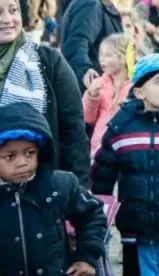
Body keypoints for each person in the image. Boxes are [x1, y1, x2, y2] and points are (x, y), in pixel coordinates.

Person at [92, 54, 159, 276]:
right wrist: (96, 220)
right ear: (139, 91)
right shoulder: (121, 127)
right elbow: (102, 177)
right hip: (135, 233)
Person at [0, 101, 107, 276]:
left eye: (29, 153)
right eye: (10, 156)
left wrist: (87, 257)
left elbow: (92, 215)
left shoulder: (59, 185)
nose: (22, 162)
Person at [0, 0, 91, 185]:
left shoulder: (48, 61)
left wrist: (80, 190)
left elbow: (73, 131)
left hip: (42, 191)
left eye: (13, 10)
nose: (8, 19)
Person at [61, 0, 124, 92]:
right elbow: (78, 42)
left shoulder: (89, 0)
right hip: (93, 80)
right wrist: (85, 70)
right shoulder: (91, 4)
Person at [83, 33, 134, 157]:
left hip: (126, 147)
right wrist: (92, 95)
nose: (101, 60)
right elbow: (87, 118)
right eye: (100, 55)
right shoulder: (99, 83)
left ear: (123, 58)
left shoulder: (135, 86)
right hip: (99, 147)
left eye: (108, 55)